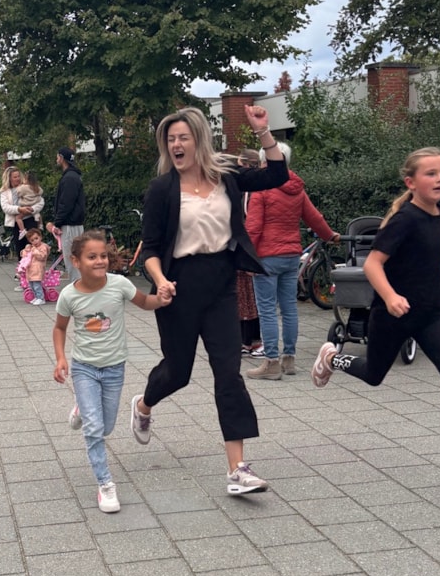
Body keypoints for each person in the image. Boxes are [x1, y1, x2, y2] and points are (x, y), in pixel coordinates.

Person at [311, 146, 440, 490]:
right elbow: (373, 265)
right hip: (393, 315)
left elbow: (425, 254)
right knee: (373, 375)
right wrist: (390, 297)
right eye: (431, 173)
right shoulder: (404, 219)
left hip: (430, 314)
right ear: (411, 182)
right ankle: (332, 358)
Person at [132, 104, 288, 495]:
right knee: (178, 372)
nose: (176, 144)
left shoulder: (226, 176)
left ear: (199, 140)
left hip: (221, 284)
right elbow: (150, 247)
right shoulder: (162, 189)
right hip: (178, 286)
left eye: (183, 137)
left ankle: (238, 469)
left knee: (228, 373)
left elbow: (277, 175)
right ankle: (144, 404)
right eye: (171, 139)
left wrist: (263, 132)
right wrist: (160, 280)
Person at [53, 229, 173, 513]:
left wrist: (161, 299)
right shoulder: (69, 295)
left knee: (105, 426)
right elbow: (59, 328)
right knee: (95, 430)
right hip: (84, 368)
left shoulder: (119, 284)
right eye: (91, 257)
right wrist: (60, 359)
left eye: (103, 256)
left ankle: (83, 408)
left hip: (114, 368)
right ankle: (105, 484)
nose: (99, 261)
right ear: (76, 261)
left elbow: (144, 303)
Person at [246, 142, 339, 378]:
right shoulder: (296, 188)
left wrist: (246, 258)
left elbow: (254, 227)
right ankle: (289, 360)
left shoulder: (262, 188)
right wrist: (330, 236)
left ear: (265, 161)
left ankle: (271, 363)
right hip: (291, 256)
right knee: (289, 308)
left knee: (267, 310)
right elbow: (314, 218)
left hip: (266, 257)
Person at [233, 150, 265, 360]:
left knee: (247, 298)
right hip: (262, 249)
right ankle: (250, 340)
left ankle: (251, 341)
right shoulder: (262, 187)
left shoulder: (249, 192)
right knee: (251, 298)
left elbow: (251, 224)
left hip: (247, 249)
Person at [50, 146, 86, 272]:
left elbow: (66, 203)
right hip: (73, 223)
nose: (56, 159)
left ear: (61, 158)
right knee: (75, 259)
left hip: (70, 225)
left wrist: (57, 222)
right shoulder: (73, 176)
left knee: (72, 260)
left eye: (57, 157)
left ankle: (77, 284)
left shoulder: (69, 178)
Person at [0, 167, 26, 255]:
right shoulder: (4, 191)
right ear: (9, 178)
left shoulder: (25, 187)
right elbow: (5, 207)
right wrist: (19, 209)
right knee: (20, 249)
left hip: (29, 219)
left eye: (18, 176)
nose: (18, 179)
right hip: (16, 222)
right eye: (15, 177)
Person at [22, 228, 51, 305]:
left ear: (40, 237)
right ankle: (36, 297)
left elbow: (42, 256)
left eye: (36, 238)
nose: (35, 241)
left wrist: (34, 250)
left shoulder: (43, 247)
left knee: (37, 285)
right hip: (31, 270)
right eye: (32, 240)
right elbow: (24, 255)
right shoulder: (31, 247)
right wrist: (26, 250)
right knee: (32, 285)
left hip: (38, 269)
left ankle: (41, 298)